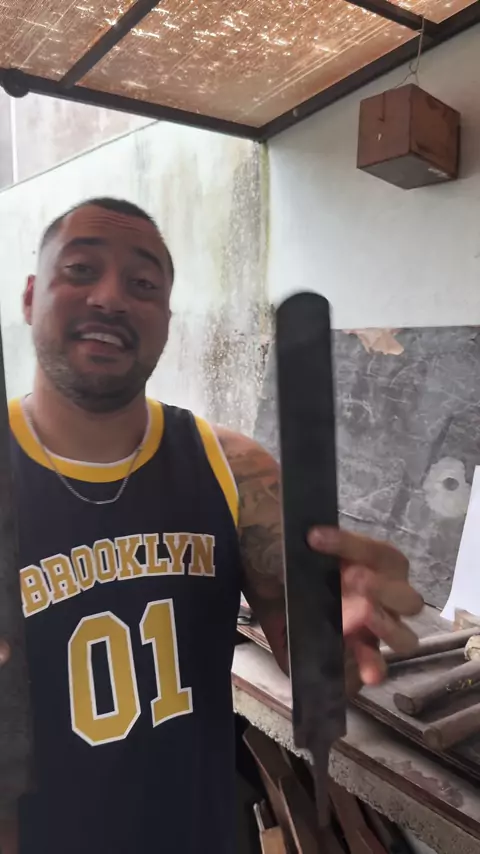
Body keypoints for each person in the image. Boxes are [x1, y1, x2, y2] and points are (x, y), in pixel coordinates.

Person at [3, 197, 423, 853]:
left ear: (167, 320)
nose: (110, 297)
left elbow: (313, 660)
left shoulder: (231, 469)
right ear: (31, 296)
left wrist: (341, 633)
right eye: (81, 270)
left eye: (143, 284)